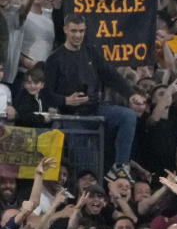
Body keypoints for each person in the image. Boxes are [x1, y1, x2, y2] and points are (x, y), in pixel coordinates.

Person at [44, 12, 138, 178]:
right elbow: (45, 94)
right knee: (87, 162)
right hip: (72, 117)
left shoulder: (91, 52)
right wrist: (66, 100)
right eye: (74, 31)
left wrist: (130, 94)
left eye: (81, 31)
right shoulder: (54, 59)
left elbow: (111, 75)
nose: (78, 35)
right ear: (65, 30)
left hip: (95, 109)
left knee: (128, 116)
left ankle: (120, 165)